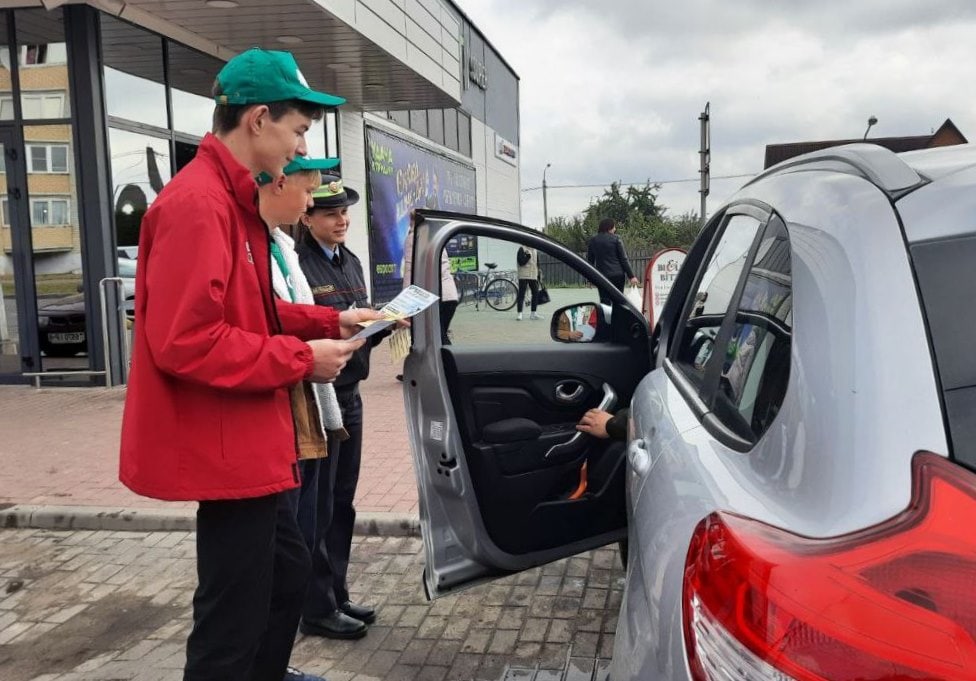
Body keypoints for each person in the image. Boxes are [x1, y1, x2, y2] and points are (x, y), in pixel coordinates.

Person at [118, 48, 384, 681]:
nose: (300, 151)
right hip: (227, 447)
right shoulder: (197, 206)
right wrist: (302, 358)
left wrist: (331, 322)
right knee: (231, 616)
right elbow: (186, 341)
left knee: (286, 576)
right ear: (259, 120)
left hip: (251, 445)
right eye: (297, 131)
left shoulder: (232, 204)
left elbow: (252, 310)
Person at [295, 176, 383, 640]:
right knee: (320, 505)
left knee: (342, 501)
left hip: (352, 395)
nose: (341, 219)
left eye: (345, 211)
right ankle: (317, 607)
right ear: (308, 219)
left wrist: (384, 323)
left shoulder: (349, 261)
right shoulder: (300, 265)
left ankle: (338, 593)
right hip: (322, 397)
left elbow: (356, 321)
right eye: (330, 213)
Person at [258, 156, 349, 544]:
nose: (310, 203)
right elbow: (255, 323)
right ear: (279, 183)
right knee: (287, 547)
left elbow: (285, 314)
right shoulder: (247, 246)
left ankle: (321, 602)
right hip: (281, 405)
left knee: (311, 529)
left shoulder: (281, 247)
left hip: (309, 402)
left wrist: (342, 322)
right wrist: (308, 357)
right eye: (309, 192)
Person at [402, 210, 460, 344]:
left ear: (412, 221)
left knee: (437, 340)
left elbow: (409, 270)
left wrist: (405, 304)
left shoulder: (414, 237)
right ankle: (444, 363)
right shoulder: (437, 235)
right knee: (440, 337)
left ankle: (450, 364)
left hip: (435, 298)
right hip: (450, 296)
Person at [586, 218, 639, 305]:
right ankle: (618, 318)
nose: (615, 229)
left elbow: (590, 261)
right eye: (614, 227)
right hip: (618, 275)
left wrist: (589, 279)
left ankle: (607, 317)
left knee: (605, 302)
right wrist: (631, 276)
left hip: (602, 276)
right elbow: (623, 259)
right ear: (609, 227)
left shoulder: (593, 240)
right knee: (618, 301)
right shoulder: (616, 239)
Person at [515, 246, 540, 321]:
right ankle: (519, 314)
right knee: (521, 294)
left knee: (535, 293)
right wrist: (528, 257)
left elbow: (537, 262)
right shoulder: (522, 249)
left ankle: (533, 313)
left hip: (533, 275)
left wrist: (539, 272)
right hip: (523, 275)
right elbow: (521, 262)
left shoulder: (535, 249)